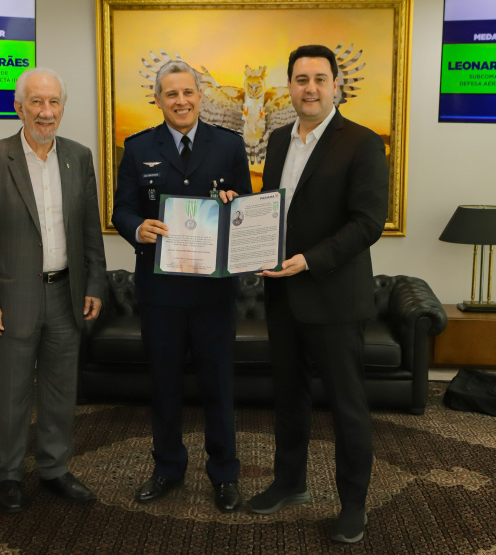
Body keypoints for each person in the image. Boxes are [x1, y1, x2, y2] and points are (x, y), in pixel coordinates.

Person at [244, 45, 388, 544]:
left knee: (347, 406)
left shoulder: (363, 143)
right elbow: (276, 209)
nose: (310, 88)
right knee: (288, 396)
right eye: (301, 79)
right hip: (282, 294)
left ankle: (354, 504)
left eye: (319, 79)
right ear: (289, 86)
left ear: (335, 86)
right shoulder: (278, 140)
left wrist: (309, 259)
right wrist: (242, 218)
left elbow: (368, 222)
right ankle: (290, 482)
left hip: (334, 296)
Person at [112, 60, 251, 512]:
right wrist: (138, 227)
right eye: (171, 94)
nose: (181, 101)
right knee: (165, 385)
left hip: (214, 292)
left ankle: (225, 474)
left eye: (188, 92)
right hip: (161, 292)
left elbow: (248, 209)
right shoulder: (138, 148)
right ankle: (168, 468)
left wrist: (235, 204)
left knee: (218, 386)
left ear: (200, 96)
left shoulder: (228, 145)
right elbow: (121, 210)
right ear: (158, 99)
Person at [0, 67, 107, 512]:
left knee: (60, 390)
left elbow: (89, 231)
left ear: (62, 108)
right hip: (13, 299)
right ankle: (8, 474)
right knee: (11, 392)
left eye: (53, 102)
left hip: (67, 294)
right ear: (19, 107)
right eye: (36, 102)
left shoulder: (79, 157)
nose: (46, 111)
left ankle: (54, 468)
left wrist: (95, 283)